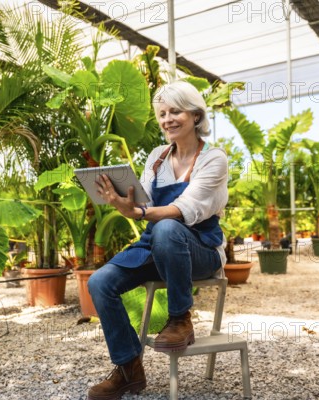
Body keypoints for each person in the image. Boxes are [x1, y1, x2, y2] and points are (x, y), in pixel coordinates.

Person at [86, 80, 229, 400]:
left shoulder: (213, 159)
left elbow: (182, 210)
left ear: (195, 115)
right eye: (162, 113)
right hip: (158, 245)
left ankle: (181, 318)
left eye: (175, 111)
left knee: (166, 228)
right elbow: (147, 208)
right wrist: (125, 206)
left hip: (201, 250)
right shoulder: (157, 158)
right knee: (99, 282)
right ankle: (128, 371)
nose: (167, 119)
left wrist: (137, 213)